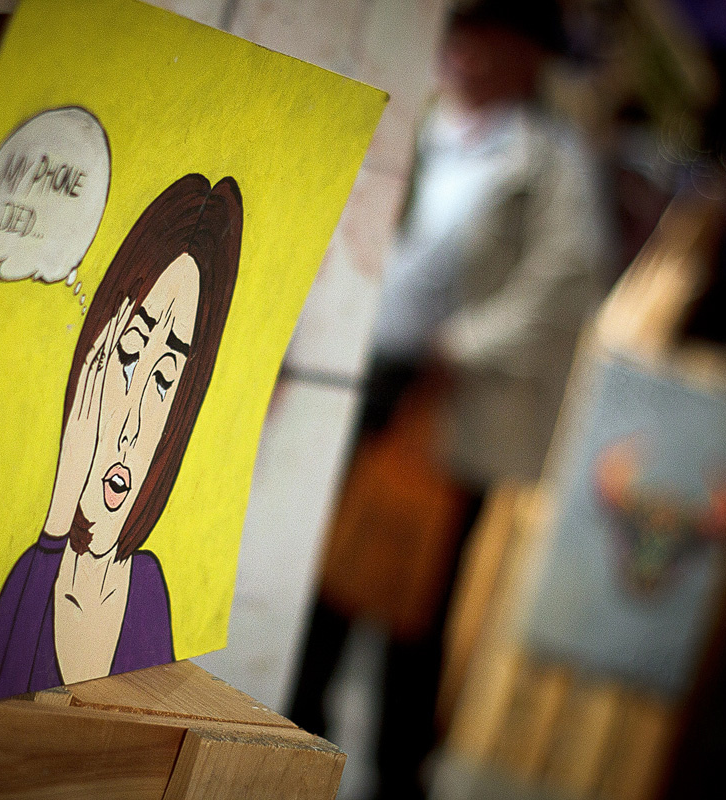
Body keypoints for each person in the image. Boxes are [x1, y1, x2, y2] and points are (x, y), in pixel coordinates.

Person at [289, 1, 610, 797]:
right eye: (459, 32)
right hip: (371, 384)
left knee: (417, 607)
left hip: (451, 409)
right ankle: (293, 744)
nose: (464, 49)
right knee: (327, 576)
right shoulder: (423, 126)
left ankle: (399, 773)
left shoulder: (548, 159)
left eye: (486, 36)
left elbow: (565, 283)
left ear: (527, 55)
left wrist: (466, 345)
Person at [0, 173, 242, 703]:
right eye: (128, 356)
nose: (132, 425)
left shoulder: (148, 595)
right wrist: (57, 522)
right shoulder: (30, 579)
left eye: (164, 379)